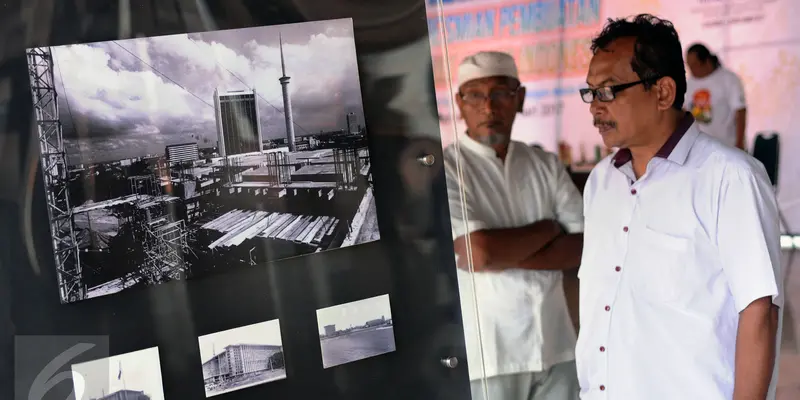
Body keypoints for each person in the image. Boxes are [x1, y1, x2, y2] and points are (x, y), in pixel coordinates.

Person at [577, 14, 783, 400]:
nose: (595, 108)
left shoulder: (729, 178)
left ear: (663, 92)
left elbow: (759, 314)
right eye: (590, 92)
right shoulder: (601, 183)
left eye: (608, 91)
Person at [444, 50, 584, 400]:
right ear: (460, 104)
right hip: (490, 356)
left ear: (519, 99)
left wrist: (498, 256)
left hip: (557, 346)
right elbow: (478, 253)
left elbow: (582, 245)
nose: (488, 108)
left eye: (500, 94)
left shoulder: (543, 164)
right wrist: (550, 229)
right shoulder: (447, 168)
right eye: (475, 95)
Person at [685, 43, 748, 150]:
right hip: (699, 150)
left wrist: (740, 142)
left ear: (707, 61)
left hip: (727, 148)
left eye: (695, 65)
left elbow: (740, 111)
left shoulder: (728, 79)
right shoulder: (688, 84)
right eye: (689, 66)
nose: (691, 69)